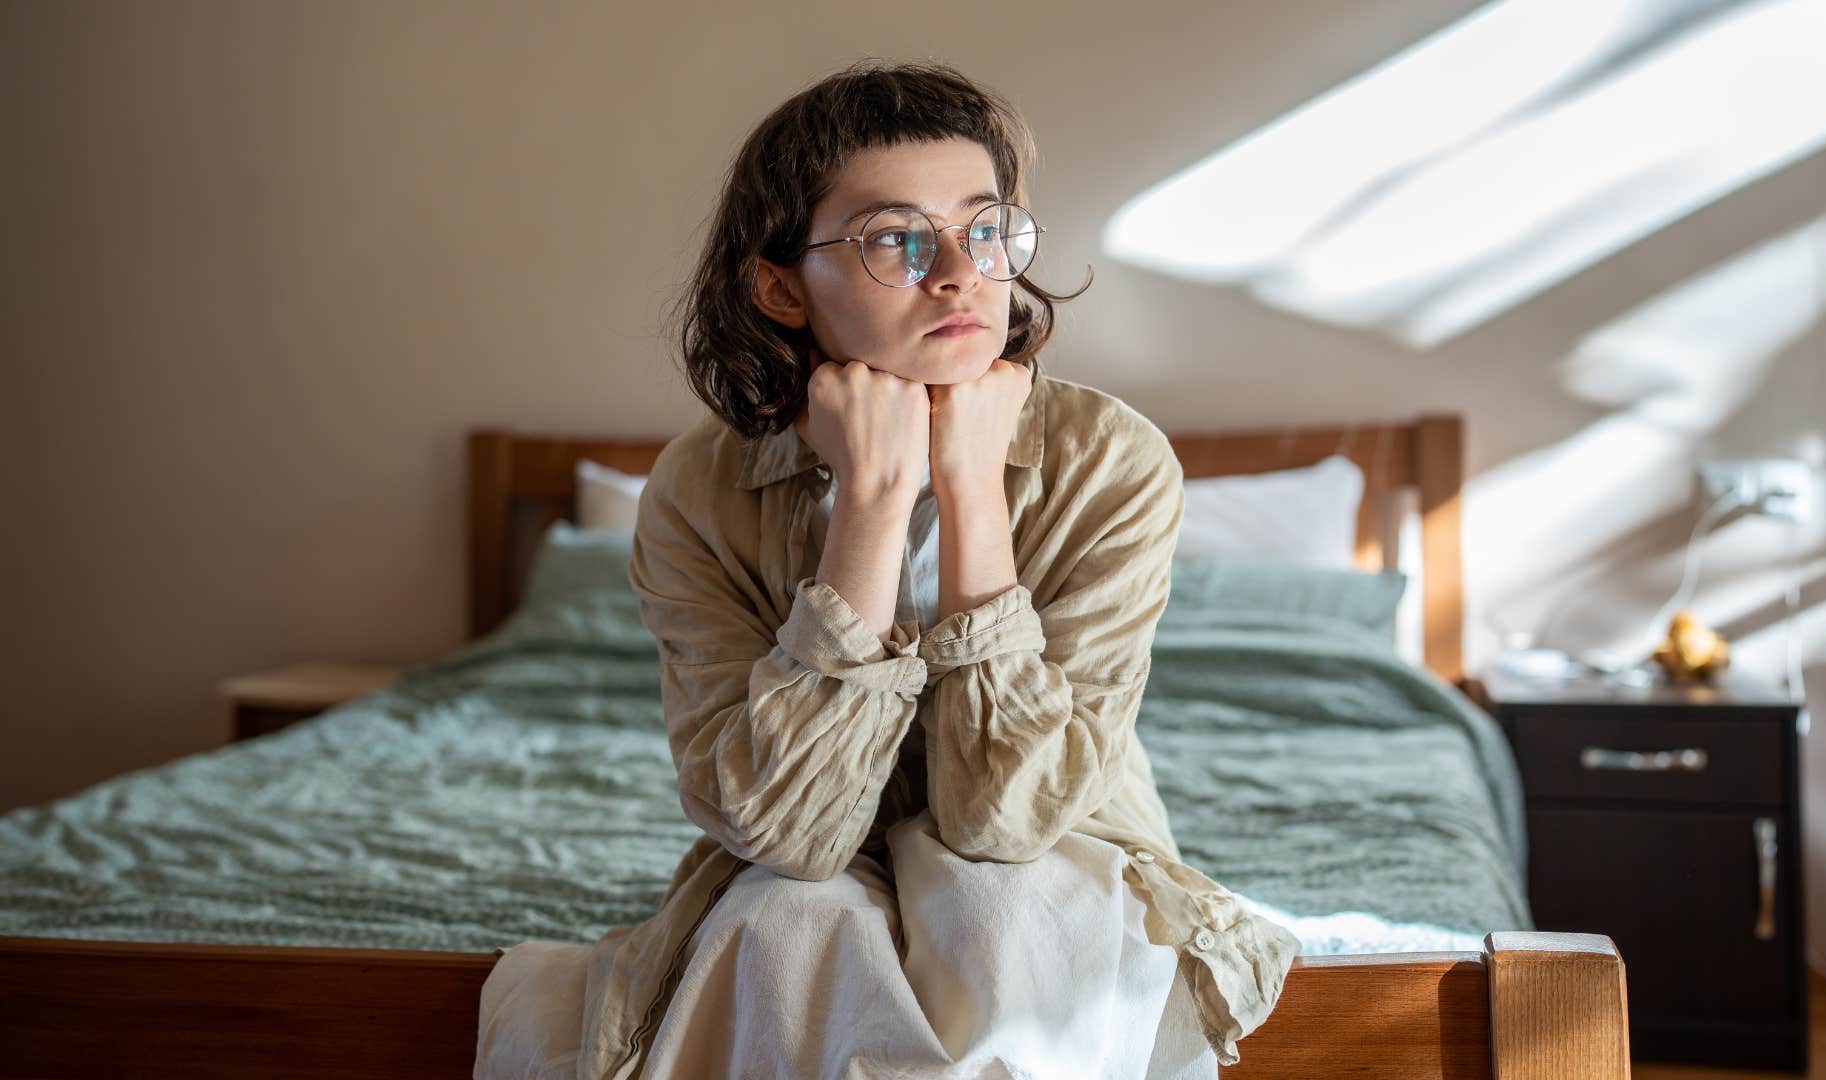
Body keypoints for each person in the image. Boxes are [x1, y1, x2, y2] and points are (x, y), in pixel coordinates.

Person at [473, 58, 1300, 1080]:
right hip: (805, 862)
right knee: (784, 918)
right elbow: (793, 832)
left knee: (1019, 905)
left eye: (985, 228)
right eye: (893, 239)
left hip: (1056, 848)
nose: (959, 272)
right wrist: (869, 496)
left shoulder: (1110, 460)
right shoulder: (699, 489)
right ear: (779, 284)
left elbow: (1006, 821)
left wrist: (970, 490)